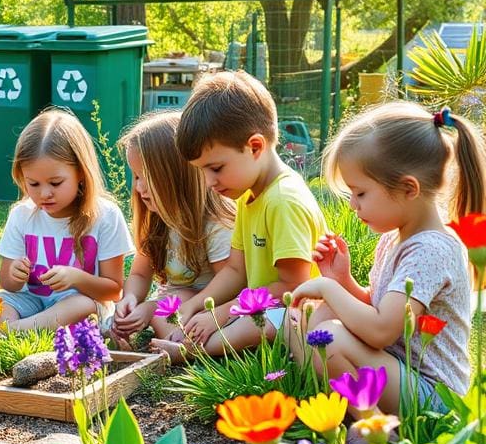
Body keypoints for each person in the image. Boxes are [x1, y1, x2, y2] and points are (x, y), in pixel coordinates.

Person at [290, 103, 484, 415]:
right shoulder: (394, 239)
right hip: (399, 372)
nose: (353, 204)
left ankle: (373, 425)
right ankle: (357, 414)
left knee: (329, 338)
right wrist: (342, 281)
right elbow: (380, 312)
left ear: (409, 188)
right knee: (310, 322)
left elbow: (382, 331)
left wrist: (329, 289)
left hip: (435, 397)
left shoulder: (431, 250)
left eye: (361, 193)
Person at [171, 70, 327, 359]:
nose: (209, 182)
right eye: (202, 171)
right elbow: (235, 270)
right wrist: (197, 306)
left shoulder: (283, 201)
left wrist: (220, 315)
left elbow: (293, 287)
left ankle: (192, 352)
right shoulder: (249, 196)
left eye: (215, 168)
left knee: (259, 325)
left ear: (255, 147)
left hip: (302, 318)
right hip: (261, 307)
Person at [0, 108, 133, 331]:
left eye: (55, 183)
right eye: (33, 184)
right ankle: (25, 330)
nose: (44, 194)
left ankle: (13, 332)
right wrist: (15, 272)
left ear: (81, 172)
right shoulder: (22, 214)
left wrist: (76, 278)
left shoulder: (106, 216)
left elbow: (113, 290)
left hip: (79, 305)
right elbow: (6, 284)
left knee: (80, 305)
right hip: (31, 303)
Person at [110, 111, 234, 350]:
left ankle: (187, 348)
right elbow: (139, 274)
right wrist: (132, 299)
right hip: (172, 303)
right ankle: (181, 343)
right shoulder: (157, 219)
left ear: (178, 175)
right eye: (135, 176)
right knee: (156, 312)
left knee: (159, 312)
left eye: (147, 177)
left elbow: (229, 284)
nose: (139, 187)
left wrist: (154, 307)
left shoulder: (214, 223)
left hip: (210, 305)